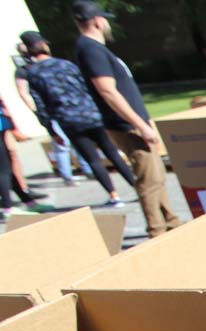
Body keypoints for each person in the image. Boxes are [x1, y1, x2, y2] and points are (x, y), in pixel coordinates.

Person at [73, 0, 181, 238]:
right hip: (126, 126)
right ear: (98, 21)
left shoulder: (93, 48)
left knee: (156, 176)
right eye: (106, 19)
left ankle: (171, 223)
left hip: (131, 124)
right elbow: (107, 91)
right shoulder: (90, 48)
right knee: (149, 181)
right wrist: (140, 125)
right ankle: (158, 232)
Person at [21, 30, 133, 208]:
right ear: (44, 45)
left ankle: (114, 195)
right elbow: (87, 86)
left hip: (69, 121)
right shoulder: (66, 64)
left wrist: (51, 130)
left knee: (93, 159)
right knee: (111, 152)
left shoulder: (32, 74)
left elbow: (41, 106)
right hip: (91, 114)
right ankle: (136, 186)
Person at [15, 41, 93, 186]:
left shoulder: (48, 65)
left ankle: (88, 169)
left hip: (66, 108)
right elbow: (24, 93)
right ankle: (67, 176)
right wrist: (36, 111)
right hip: (50, 112)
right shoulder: (23, 71)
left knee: (79, 140)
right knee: (62, 143)